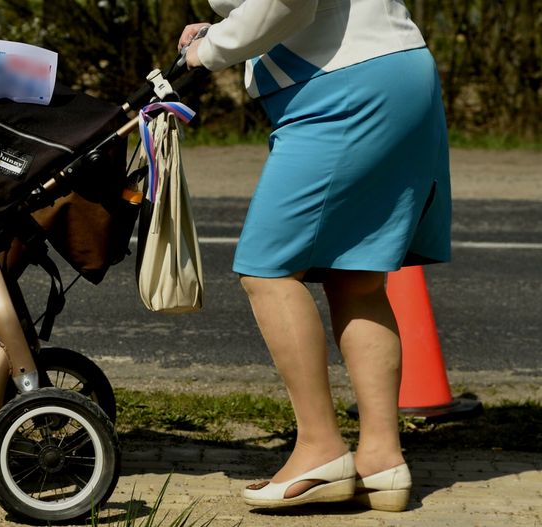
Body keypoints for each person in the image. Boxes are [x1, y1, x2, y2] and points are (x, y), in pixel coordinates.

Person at [179, 0, 450, 512]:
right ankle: (381, 461)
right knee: (357, 278)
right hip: (395, 68)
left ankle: (320, 450)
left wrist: (211, 50)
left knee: (268, 270)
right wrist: (226, 27)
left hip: (346, 87)